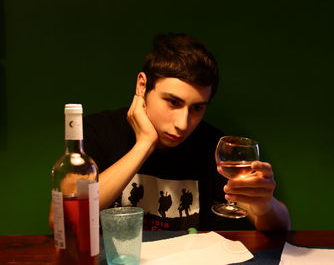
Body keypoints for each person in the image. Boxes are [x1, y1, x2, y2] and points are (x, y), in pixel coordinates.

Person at [84, 33, 290, 231]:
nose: (183, 124)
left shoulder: (213, 146)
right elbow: (65, 219)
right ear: (142, 85)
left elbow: (280, 227)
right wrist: (144, 144)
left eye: (197, 108)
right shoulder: (99, 130)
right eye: (173, 102)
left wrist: (264, 204)